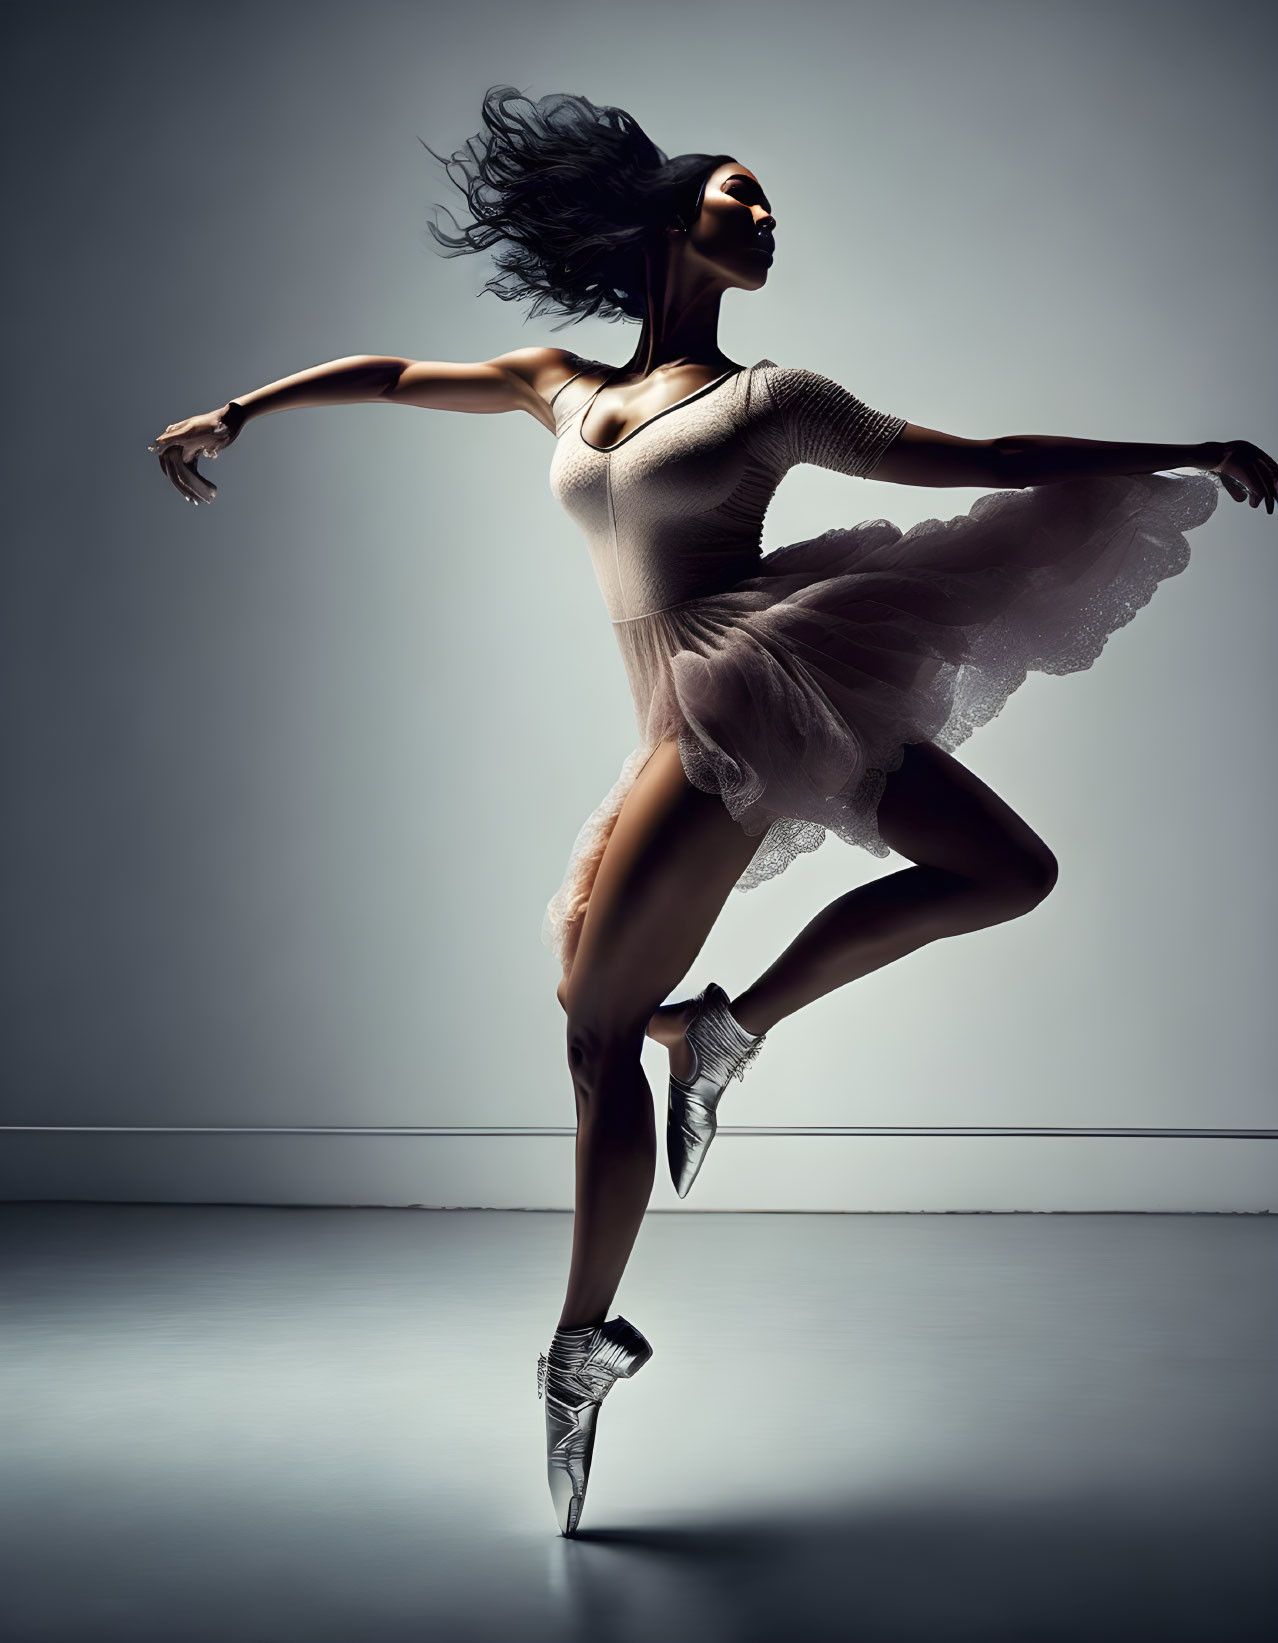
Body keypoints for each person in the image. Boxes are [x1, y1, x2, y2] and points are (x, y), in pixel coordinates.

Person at [148, 85, 1275, 1539]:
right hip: (707, 709)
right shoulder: (556, 381)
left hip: (751, 691)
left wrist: (1167, 455)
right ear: (665, 217)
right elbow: (392, 374)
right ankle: (715, 1045)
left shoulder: (773, 400)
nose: (765, 219)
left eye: (770, 207)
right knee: (979, 873)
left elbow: (979, 461)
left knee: (615, 1020)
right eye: (741, 195)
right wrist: (239, 411)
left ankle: (584, 1328)